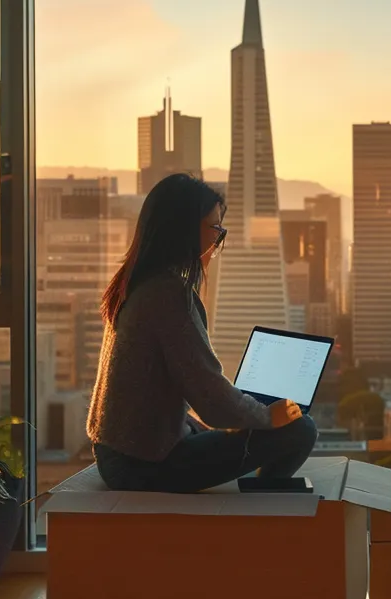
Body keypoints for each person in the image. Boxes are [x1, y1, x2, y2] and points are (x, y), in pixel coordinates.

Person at [87, 173, 318, 493]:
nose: (217, 241)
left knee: (231, 428)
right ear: (184, 229)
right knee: (300, 429)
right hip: (144, 465)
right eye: (215, 229)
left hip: (119, 453)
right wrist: (267, 416)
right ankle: (265, 502)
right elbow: (210, 397)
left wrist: (233, 418)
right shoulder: (168, 295)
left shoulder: (136, 282)